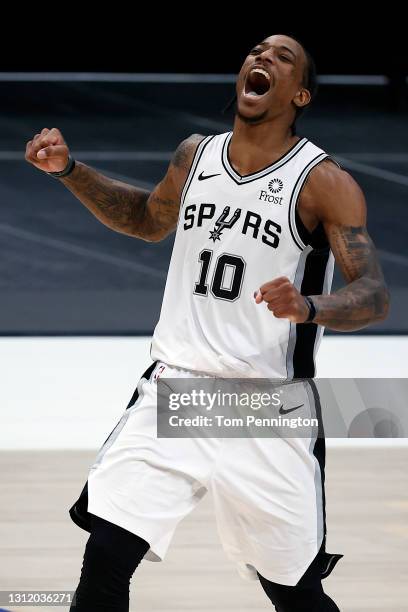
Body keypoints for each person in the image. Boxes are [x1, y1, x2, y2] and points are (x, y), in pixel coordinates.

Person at [25, 33, 389, 612]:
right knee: (106, 559)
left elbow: (374, 295)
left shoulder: (324, 182)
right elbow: (147, 220)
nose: (262, 57)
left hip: (267, 405)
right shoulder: (195, 155)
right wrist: (71, 171)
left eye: (282, 57)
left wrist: (310, 306)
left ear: (300, 95)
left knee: (294, 593)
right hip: (176, 389)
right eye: (256, 51)